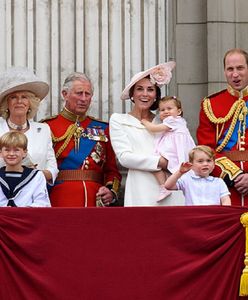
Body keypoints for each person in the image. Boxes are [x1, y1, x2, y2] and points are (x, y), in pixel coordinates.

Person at [110, 61, 186, 206]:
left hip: (171, 185)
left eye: (150, 89)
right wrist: (161, 162)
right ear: (132, 94)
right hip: (140, 186)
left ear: (156, 95)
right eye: (140, 89)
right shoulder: (119, 120)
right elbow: (125, 158)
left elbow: (183, 145)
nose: (145, 94)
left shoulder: (166, 121)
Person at [43, 72, 121, 207]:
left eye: (88, 94)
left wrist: (110, 190)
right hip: (59, 198)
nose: (84, 99)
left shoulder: (103, 128)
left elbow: (112, 170)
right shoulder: (47, 127)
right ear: (64, 94)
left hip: (95, 199)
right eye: (79, 93)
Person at [197, 48, 248, 206]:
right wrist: (234, 176)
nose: (235, 74)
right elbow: (206, 149)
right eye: (230, 69)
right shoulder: (210, 104)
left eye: (240, 68)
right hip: (225, 186)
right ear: (224, 72)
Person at [0, 67, 58, 184]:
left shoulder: (43, 129)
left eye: (24, 97)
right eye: (13, 97)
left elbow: (52, 168)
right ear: (7, 103)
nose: (19, 101)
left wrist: (33, 175)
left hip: (34, 194)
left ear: (31, 103)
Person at [141, 96, 195, 201]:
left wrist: (144, 121)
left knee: (153, 162)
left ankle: (163, 187)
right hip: (174, 150)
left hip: (174, 152)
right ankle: (165, 185)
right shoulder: (179, 121)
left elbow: (154, 129)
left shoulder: (173, 120)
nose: (166, 112)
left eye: (169, 109)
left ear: (179, 111)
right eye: (162, 110)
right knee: (156, 164)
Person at [164, 145, 231, 206]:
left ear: (214, 164)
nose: (205, 164)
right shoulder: (187, 179)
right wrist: (180, 172)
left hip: (213, 216)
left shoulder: (219, 182)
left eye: (208, 161)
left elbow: (225, 200)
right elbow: (168, 186)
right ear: (191, 164)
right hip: (193, 216)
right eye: (200, 161)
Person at [0, 131, 51, 207]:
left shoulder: (37, 176)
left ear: (24, 152)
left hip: (26, 217)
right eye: (7, 150)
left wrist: (23, 211)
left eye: (16, 150)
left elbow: (42, 203)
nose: (11, 154)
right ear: (1, 153)